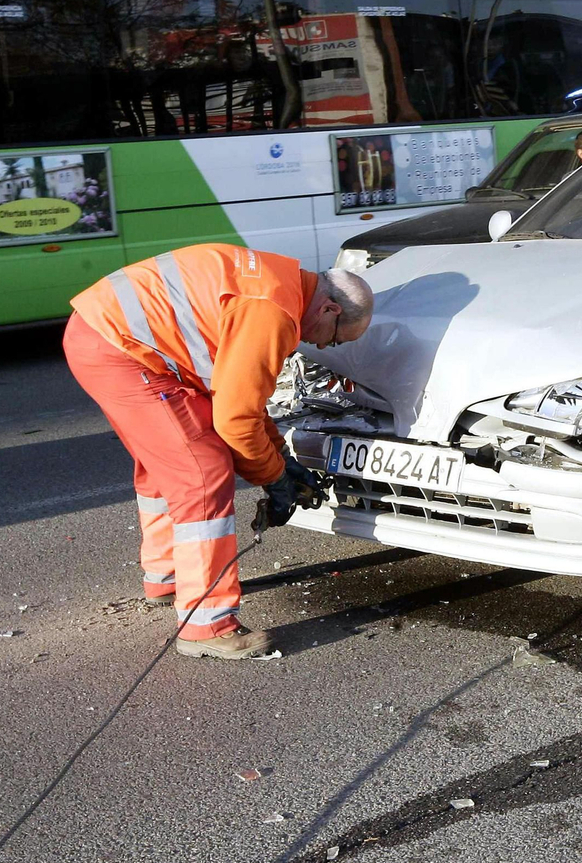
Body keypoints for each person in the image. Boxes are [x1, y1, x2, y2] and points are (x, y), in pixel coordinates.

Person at [64, 244, 373, 660]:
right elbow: (236, 421)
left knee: (170, 460)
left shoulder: (280, 282)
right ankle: (206, 626)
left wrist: (281, 459)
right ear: (330, 309)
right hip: (121, 351)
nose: (325, 346)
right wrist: (274, 478)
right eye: (334, 339)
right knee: (201, 475)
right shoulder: (273, 312)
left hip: (104, 335)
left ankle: (170, 576)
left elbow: (241, 398)